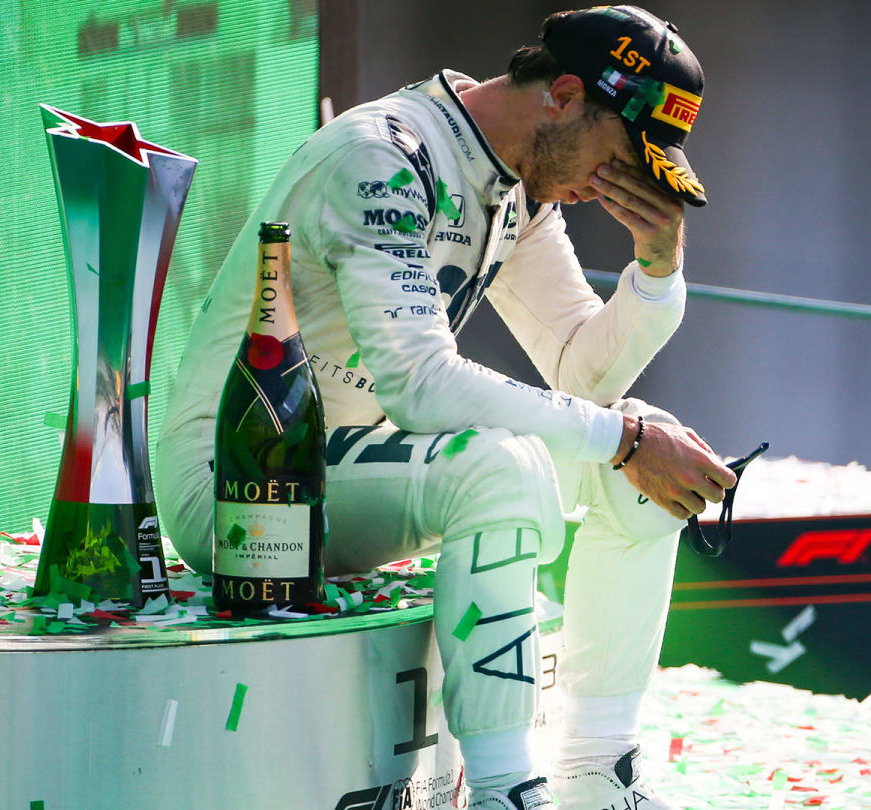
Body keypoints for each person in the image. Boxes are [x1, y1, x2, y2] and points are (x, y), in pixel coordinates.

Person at [156, 5, 731, 810]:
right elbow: (419, 384)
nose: (616, 186)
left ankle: (599, 774)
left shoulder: (515, 185)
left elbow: (578, 373)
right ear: (563, 95)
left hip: (349, 470)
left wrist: (658, 273)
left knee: (645, 454)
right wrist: (619, 435)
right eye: (619, 156)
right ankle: (504, 792)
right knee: (509, 464)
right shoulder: (382, 155)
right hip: (242, 490)